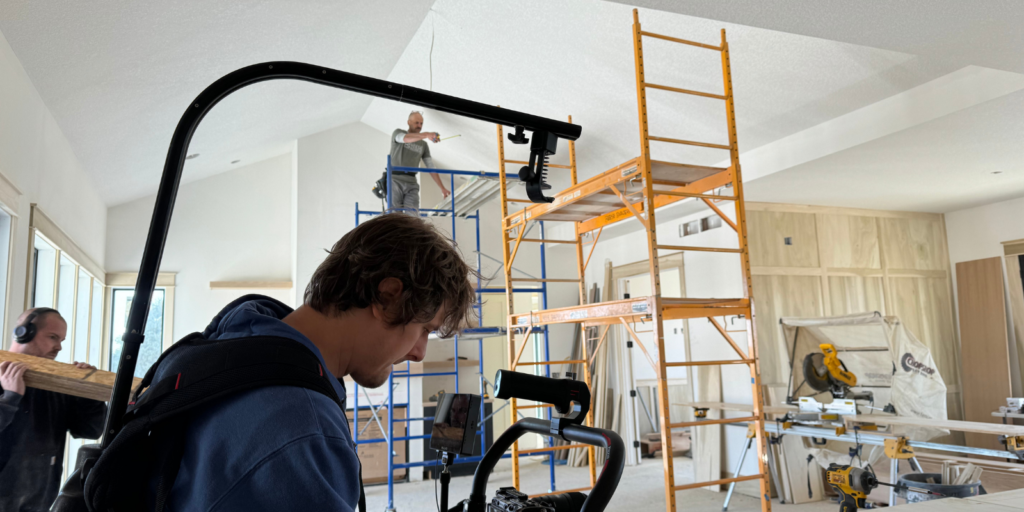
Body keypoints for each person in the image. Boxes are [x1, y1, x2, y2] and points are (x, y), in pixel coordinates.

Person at [154, 213, 475, 510]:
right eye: (424, 330)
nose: (419, 353)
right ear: (387, 297)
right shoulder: (306, 434)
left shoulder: (235, 341)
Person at [0, 308, 106, 512]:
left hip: (39, 503)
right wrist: (10, 398)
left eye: (61, 340)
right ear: (24, 333)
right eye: (53, 337)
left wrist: (88, 392)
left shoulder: (55, 385)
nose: (59, 347)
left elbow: (90, 430)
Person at [389, 111, 451, 212]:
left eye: (421, 123)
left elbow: (431, 167)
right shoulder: (398, 133)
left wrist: (442, 188)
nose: (419, 126)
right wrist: (426, 134)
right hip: (394, 181)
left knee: (413, 216)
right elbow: (405, 139)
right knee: (394, 216)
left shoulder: (423, 145)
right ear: (408, 122)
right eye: (416, 123)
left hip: (411, 183)